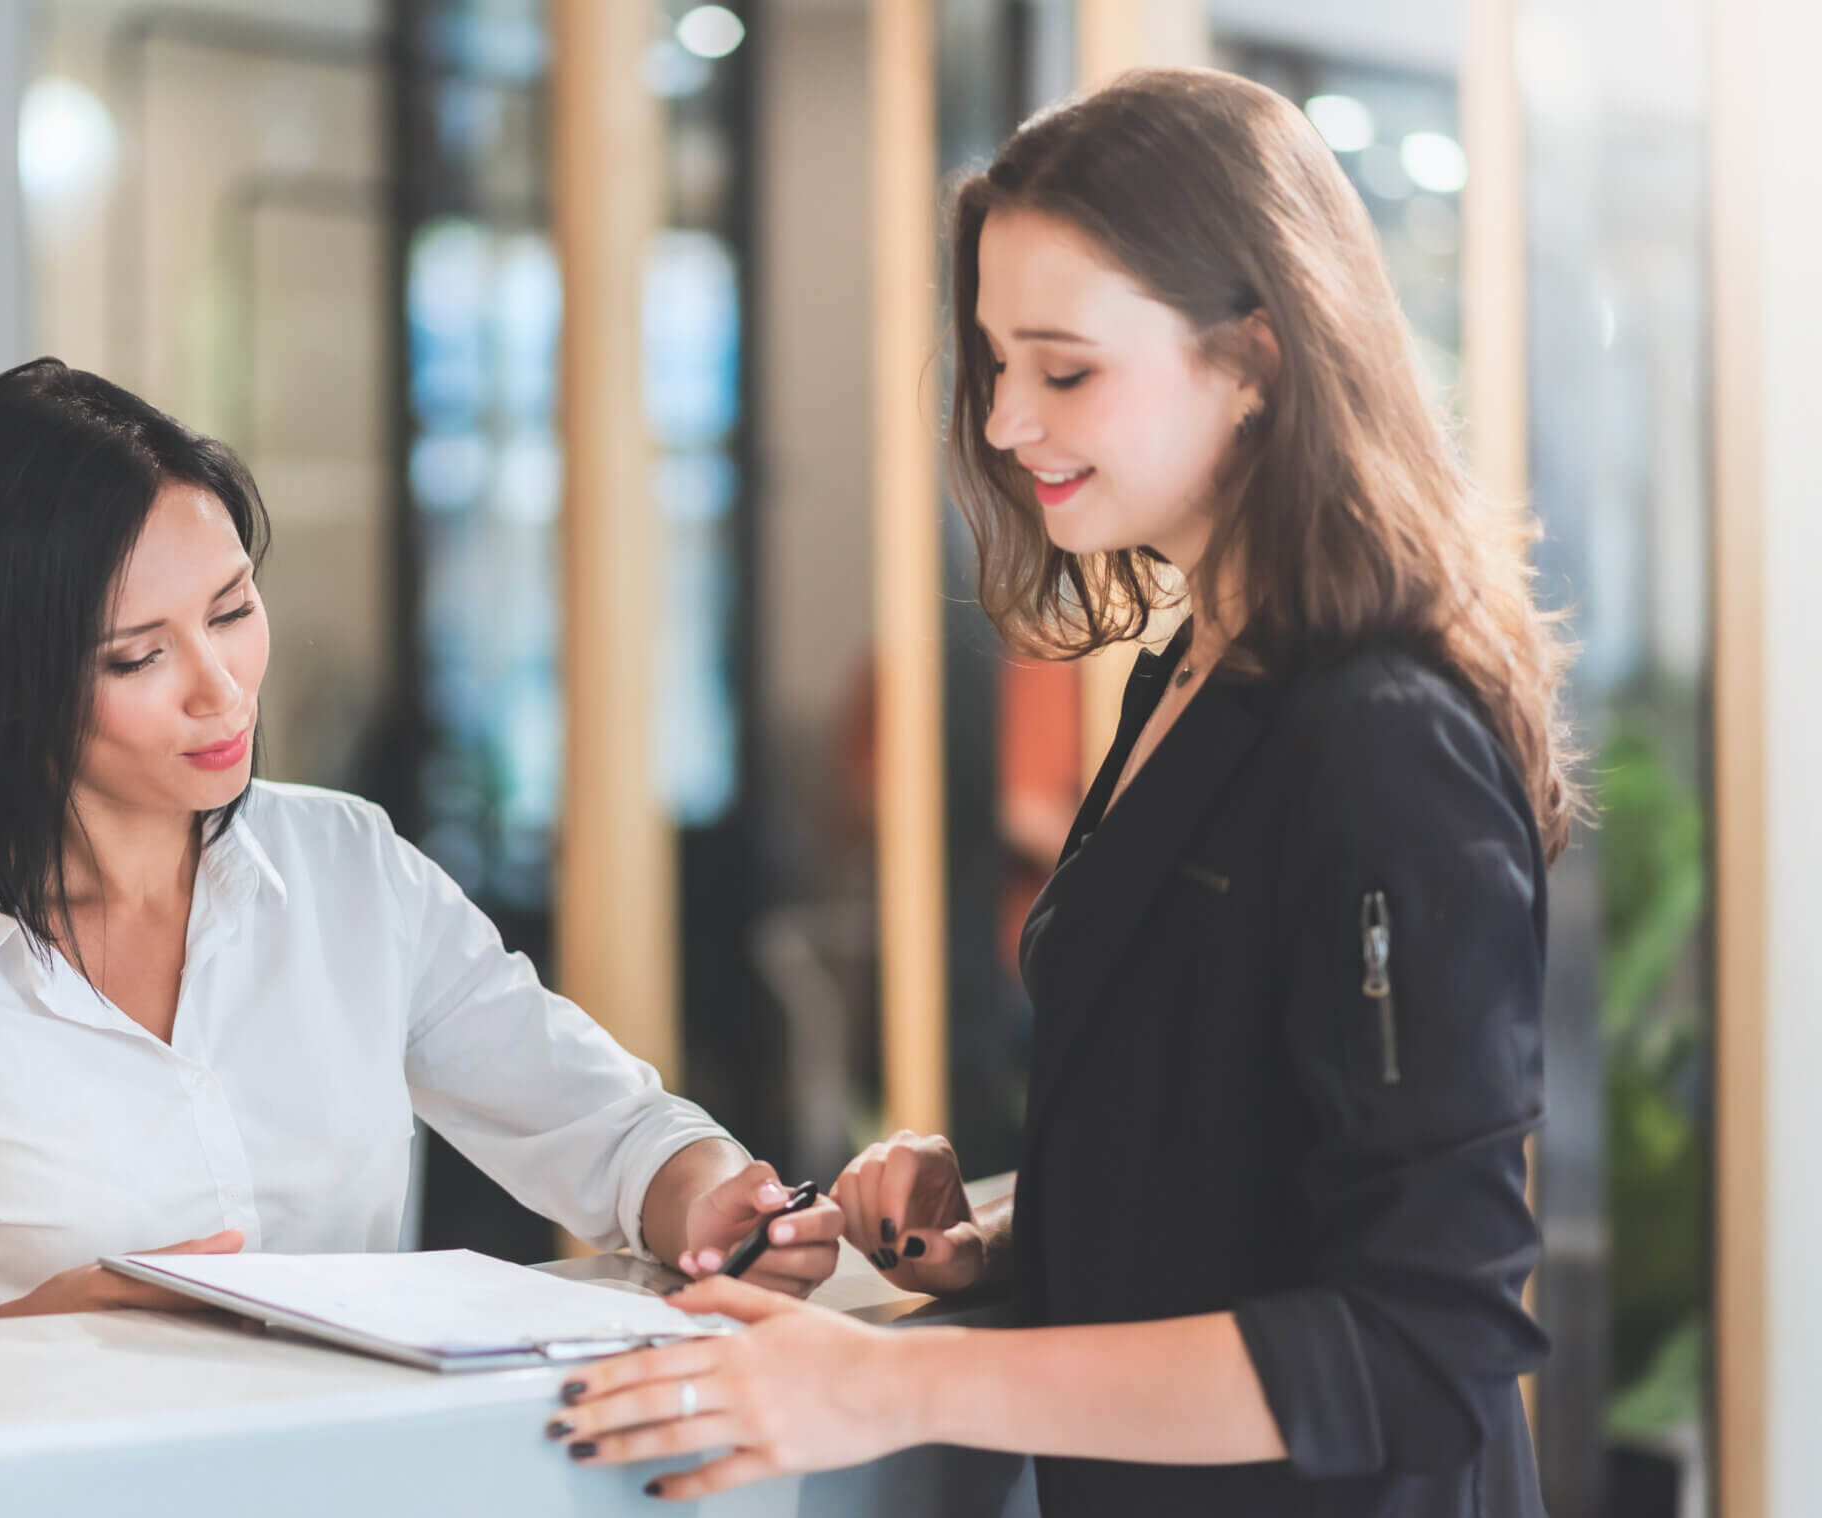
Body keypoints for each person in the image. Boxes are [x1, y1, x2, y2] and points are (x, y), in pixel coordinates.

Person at [553, 67, 1571, 1516]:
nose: (1010, 420)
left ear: (1258, 360)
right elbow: (1254, 1184)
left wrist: (885, 1382)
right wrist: (1006, 1232)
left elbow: (1421, 1340)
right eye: (994, 363)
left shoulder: (1381, 738)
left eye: (1066, 367)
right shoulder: (1191, 676)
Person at [0, 359, 842, 1333]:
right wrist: (26, 1340)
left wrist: (711, 1197)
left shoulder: (350, 873)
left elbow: (603, 1128)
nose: (220, 692)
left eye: (230, 610)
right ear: (8, 688)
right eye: (137, 658)